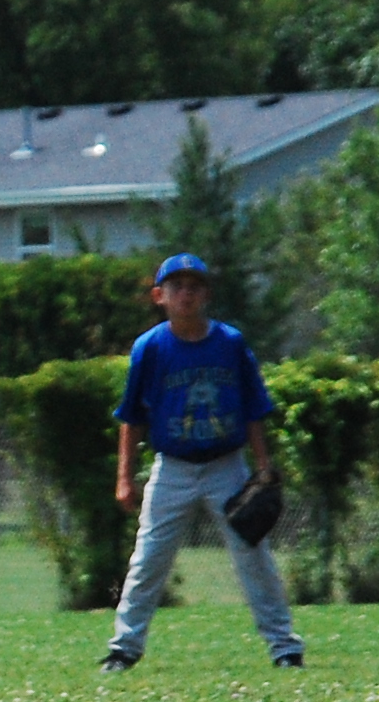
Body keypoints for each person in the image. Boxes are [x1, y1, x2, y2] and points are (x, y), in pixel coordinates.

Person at [102, 252, 302, 673]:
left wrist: (263, 466)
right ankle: (124, 649)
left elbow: (253, 408)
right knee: (148, 559)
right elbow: (132, 417)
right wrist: (124, 477)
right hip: (172, 468)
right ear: (159, 296)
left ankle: (284, 647)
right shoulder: (150, 348)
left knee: (253, 555)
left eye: (194, 287)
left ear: (206, 294)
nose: (186, 294)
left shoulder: (230, 343)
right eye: (176, 287)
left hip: (226, 467)